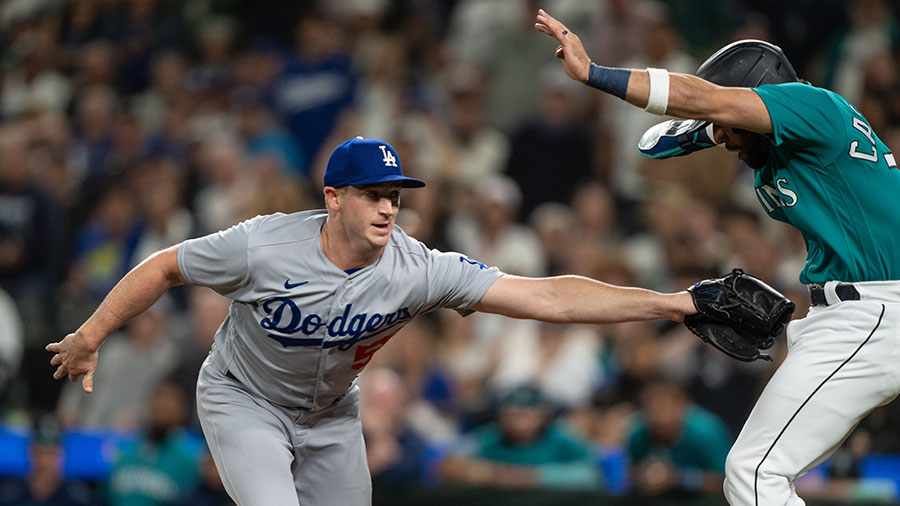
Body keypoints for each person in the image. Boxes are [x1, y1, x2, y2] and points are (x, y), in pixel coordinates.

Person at [46, 136, 697, 506]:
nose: (388, 208)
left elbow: (546, 297)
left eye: (394, 196)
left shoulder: (417, 267)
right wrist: (90, 334)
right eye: (372, 195)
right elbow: (164, 266)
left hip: (330, 412)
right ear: (333, 197)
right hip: (243, 398)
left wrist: (671, 304)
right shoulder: (262, 245)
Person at [535, 8, 900, 506]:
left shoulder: (810, 106)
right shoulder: (787, 133)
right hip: (852, 312)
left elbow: (701, 100)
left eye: (728, 123)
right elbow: (653, 145)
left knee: (753, 473)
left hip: (872, 313)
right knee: (757, 471)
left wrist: (594, 74)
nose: (723, 138)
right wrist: (706, 126)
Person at [439, 384, 603, 491]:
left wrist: (518, 477)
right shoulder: (490, 436)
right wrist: (469, 470)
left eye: (526, 415)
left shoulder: (561, 437)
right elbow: (449, 463)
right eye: (512, 415)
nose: (519, 422)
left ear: (542, 416)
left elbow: (591, 474)